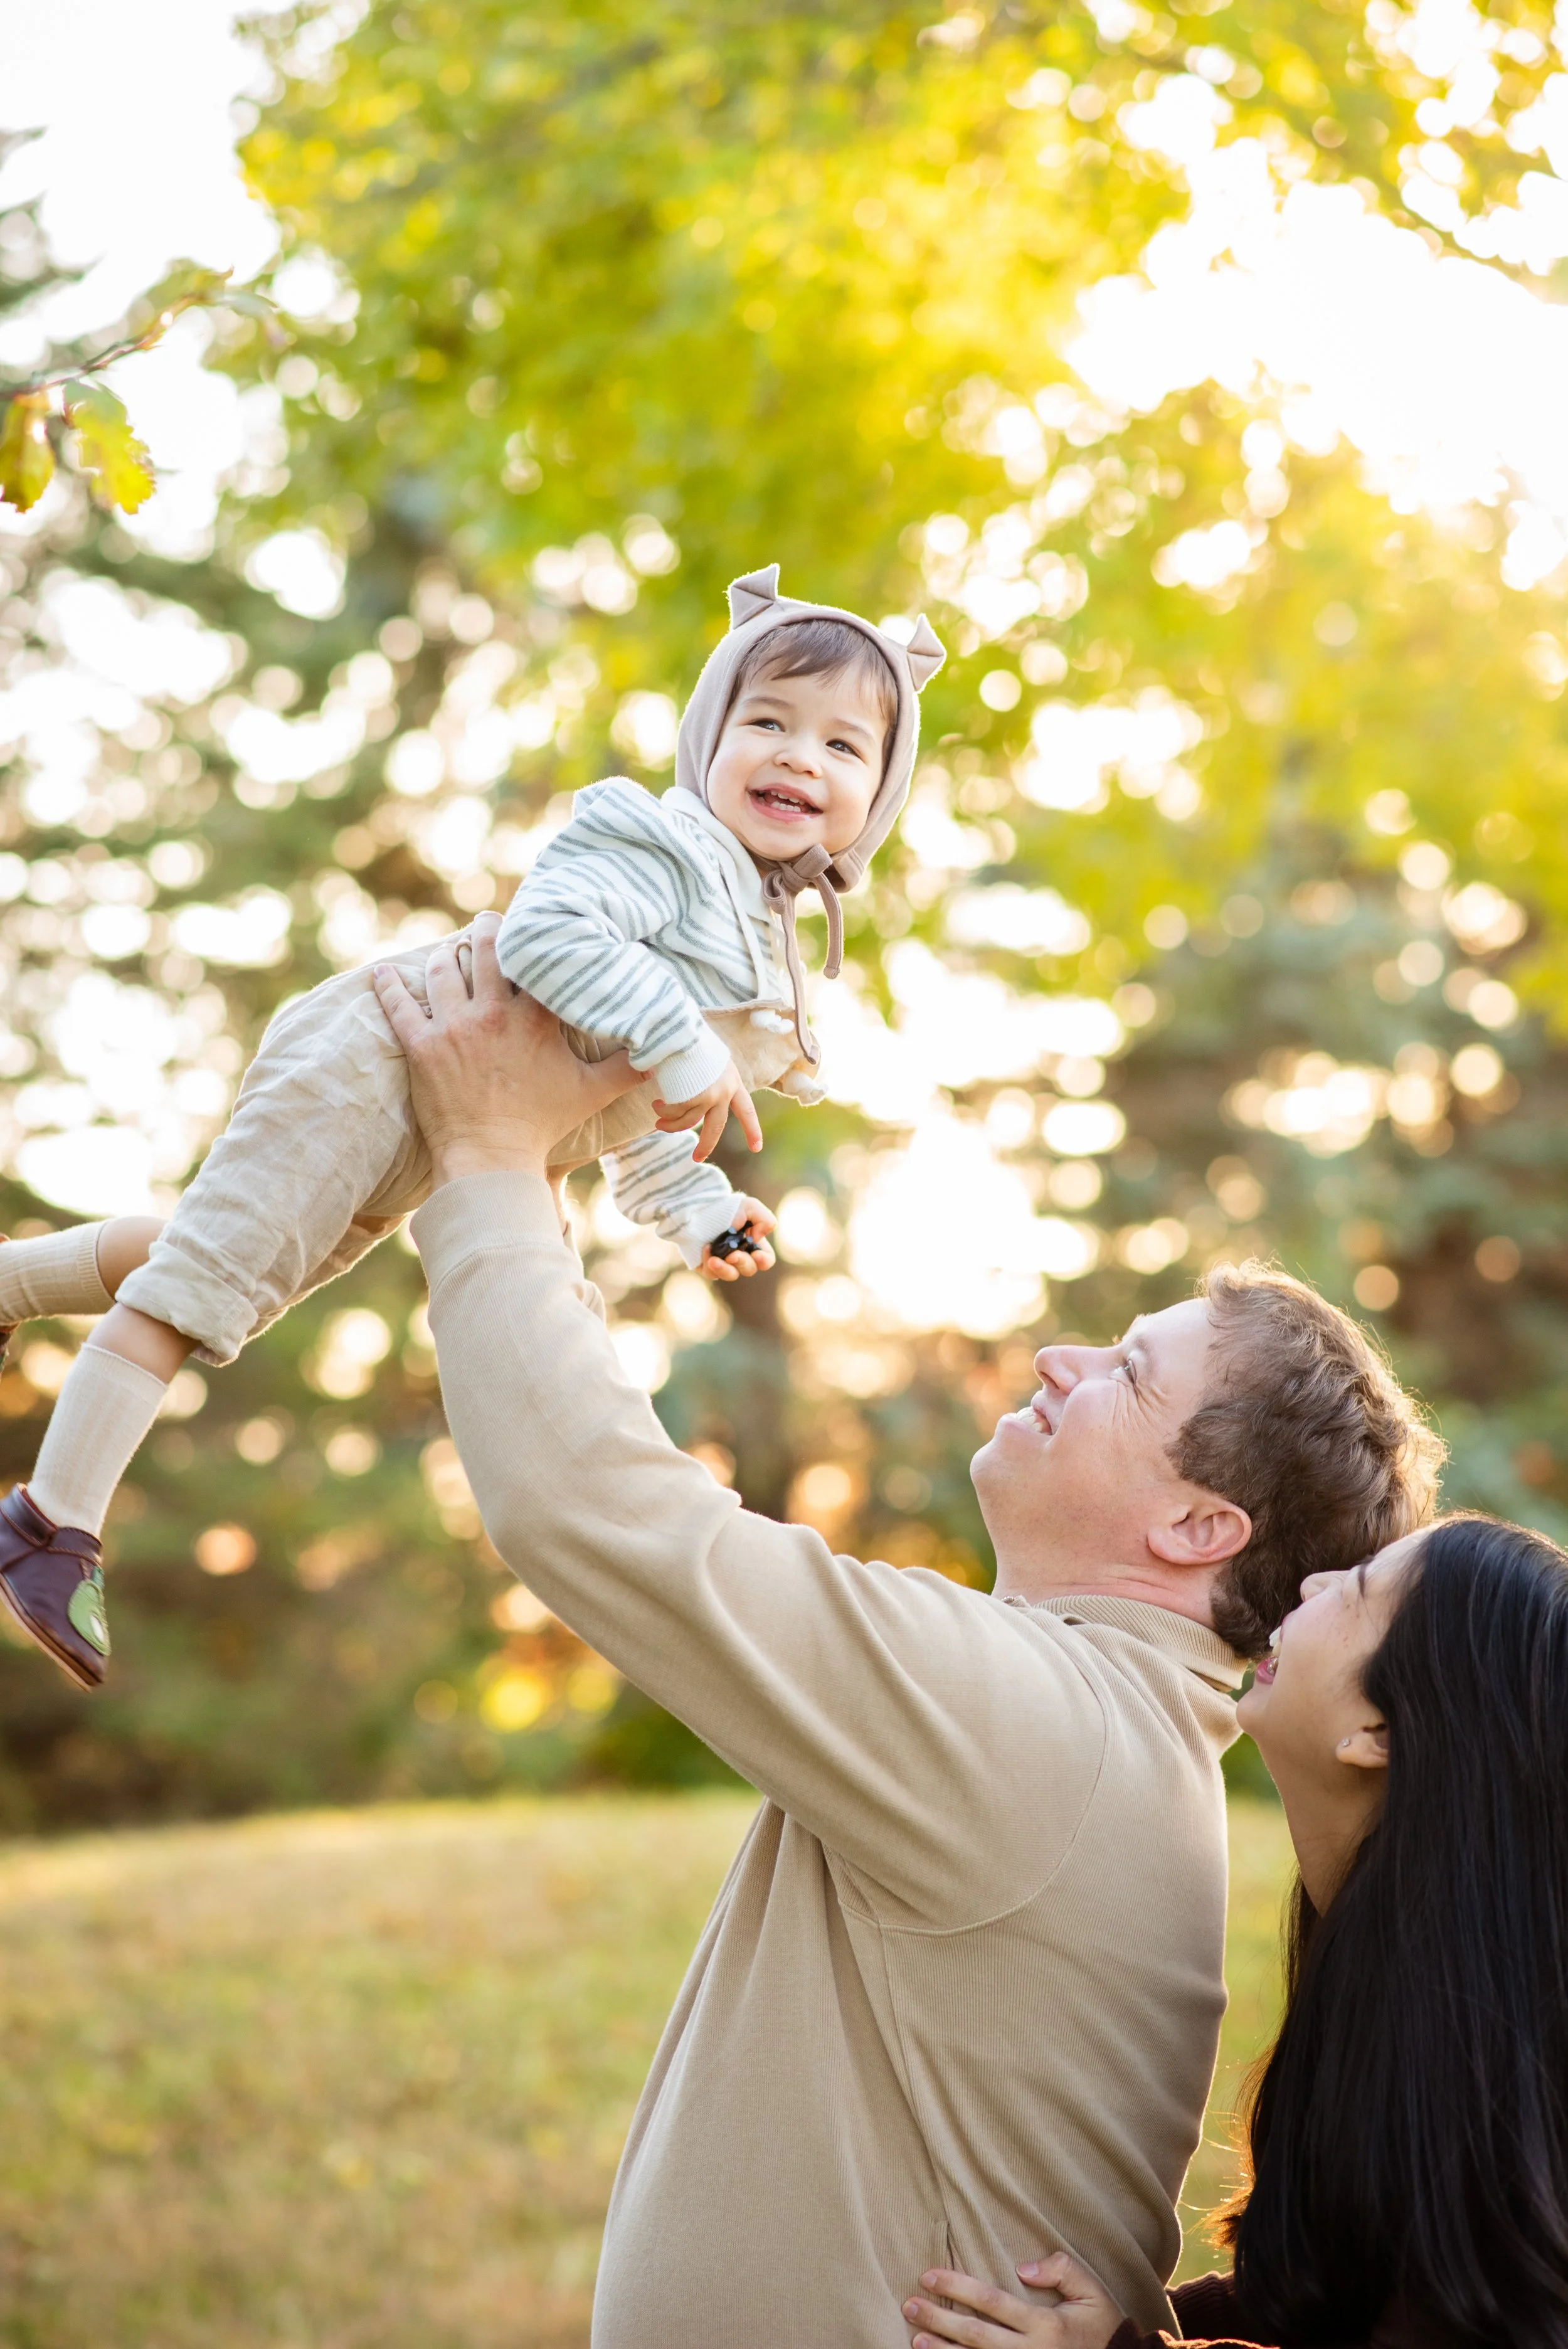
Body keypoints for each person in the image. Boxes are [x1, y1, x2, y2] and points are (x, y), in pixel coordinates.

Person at [364, 930, 1443, 2349]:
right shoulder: (1086, 1723)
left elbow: (595, 1509)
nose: (1061, 1358)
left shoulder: (1042, 1726)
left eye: (1125, 1370)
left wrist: (490, 1164)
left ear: (1197, 1527)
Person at [0, 563, 945, 1691]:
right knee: (214, 1275)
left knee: (246, 1267)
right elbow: (550, 937)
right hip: (383, 1055)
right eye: (769, 722)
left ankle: (10, 1286)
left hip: (440, 1112)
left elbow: (628, 1101)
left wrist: (694, 1206)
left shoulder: (754, 939)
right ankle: (50, 1527)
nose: (801, 755)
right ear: (709, 739)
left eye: (845, 747)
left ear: (879, 795)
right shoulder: (661, 844)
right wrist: (687, 1046)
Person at [900, 1514, 1568, 2349]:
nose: (1311, 1585)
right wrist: (1165, 2322)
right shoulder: (1397, 1962)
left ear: (1380, 1734)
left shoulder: (1483, 2048)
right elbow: (1351, 2294)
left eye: (1355, 1590)